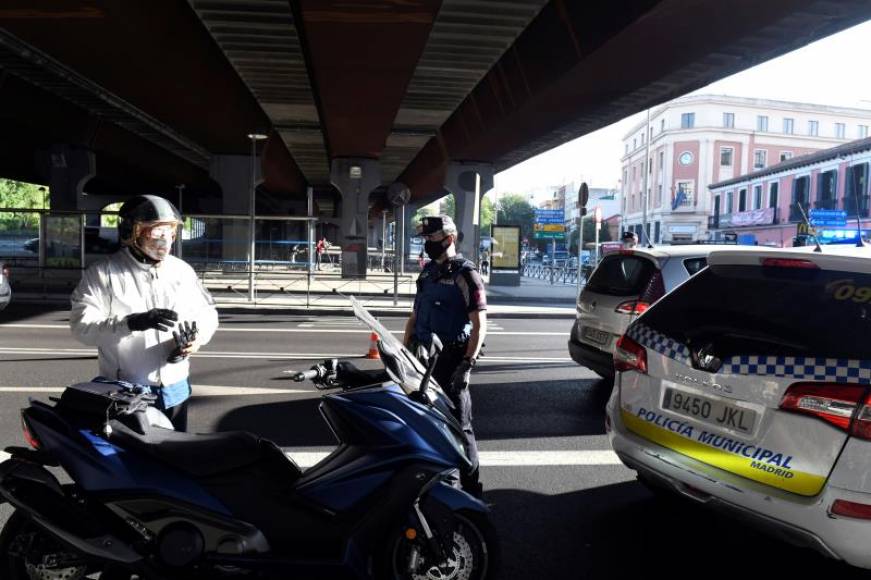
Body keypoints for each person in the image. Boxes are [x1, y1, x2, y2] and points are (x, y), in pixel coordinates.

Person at [70, 195, 218, 431]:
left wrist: (195, 341)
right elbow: (81, 327)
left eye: (169, 232)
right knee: (133, 461)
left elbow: (207, 313)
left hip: (176, 387)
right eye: (155, 232)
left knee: (177, 457)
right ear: (132, 232)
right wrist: (131, 323)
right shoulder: (103, 274)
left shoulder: (182, 270)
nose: (165, 240)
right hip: (127, 392)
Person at [403, 215, 487, 497]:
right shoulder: (427, 273)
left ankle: (473, 491)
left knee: (460, 428)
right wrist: (404, 352)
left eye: (432, 239)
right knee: (428, 426)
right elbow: (414, 318)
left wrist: (467, 364)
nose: (427, 244)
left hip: (451, 361)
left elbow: (480, 324)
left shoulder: (466, 274)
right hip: (424, 362)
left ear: (449, 239)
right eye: (425, 239)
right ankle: (441, 487)